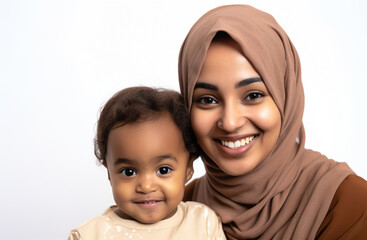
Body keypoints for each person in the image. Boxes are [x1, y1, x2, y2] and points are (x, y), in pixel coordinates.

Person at [178, 4, 367, 240]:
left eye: (253, 95)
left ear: (286, 95)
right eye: (207, 99)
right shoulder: (176, 206)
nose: (230, 122)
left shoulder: (348, 204)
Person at [68, 87, 226, 240]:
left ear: (188, 169)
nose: (146, 186)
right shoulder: (90, 235)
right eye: (129, 172)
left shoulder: (202, 223)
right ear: (109, 172)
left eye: (163, 170)